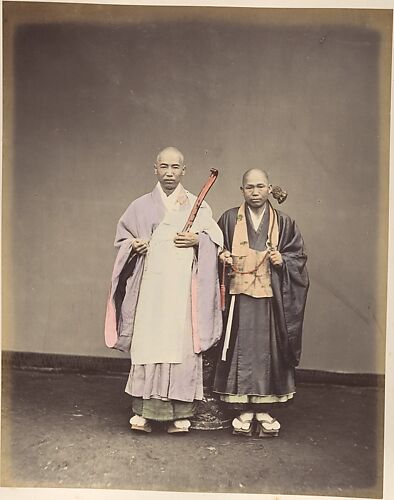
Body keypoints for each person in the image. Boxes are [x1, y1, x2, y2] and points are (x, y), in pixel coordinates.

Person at [104, 147, 223, 434]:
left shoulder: (199, 205)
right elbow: (123, 239)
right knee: (150, 343)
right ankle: (144, 411)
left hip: (182, 291)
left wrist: (198, 241)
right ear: (155, 168)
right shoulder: (140, 206)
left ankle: (181, 413)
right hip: (151, 290)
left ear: (184, 170)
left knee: (180, 345)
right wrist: (134, 246)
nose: (169, 172)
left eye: (175, 167)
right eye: (164, 166)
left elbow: (215, 243)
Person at [213, 168, 309, 437]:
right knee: (241, 348)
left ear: (269, 189)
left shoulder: (284, 221)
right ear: (241, 190)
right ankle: (243, 409)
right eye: (249, 187)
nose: (255, 192)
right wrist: (222, 257)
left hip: (270, 299)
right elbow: (214, 247)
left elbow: (298, 257)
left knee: (269, 349)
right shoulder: (230, 218)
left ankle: (265, 408)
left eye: (260, 186)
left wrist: (283, 261)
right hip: (239, 298)